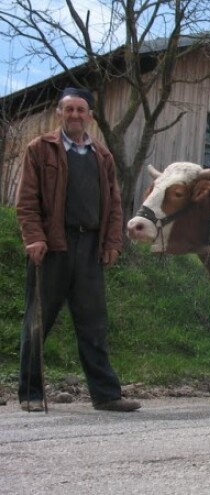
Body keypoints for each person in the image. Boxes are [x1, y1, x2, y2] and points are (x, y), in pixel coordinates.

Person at [15, 87, 141, 412]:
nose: (74, 115)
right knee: (37, 321)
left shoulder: (103, 156)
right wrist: (34, 237)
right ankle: (30, 393)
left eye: (80, 110)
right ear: (59, 113)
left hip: (90, 248)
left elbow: (114, 205)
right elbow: (27, 201)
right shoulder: (40, 149)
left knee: (94, 323)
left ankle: (106, 395)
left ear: (90, 116)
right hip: (53, 246)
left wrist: (113, 242)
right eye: (68, 109)